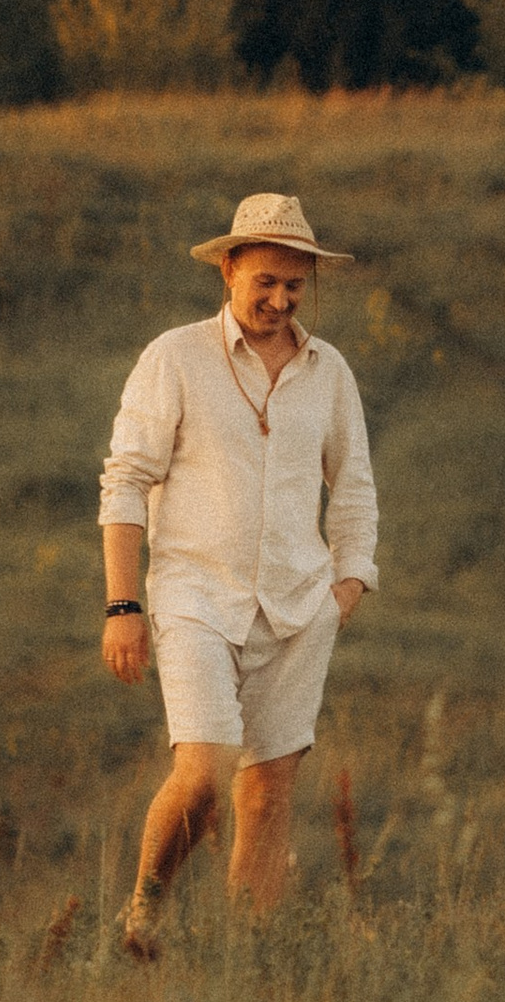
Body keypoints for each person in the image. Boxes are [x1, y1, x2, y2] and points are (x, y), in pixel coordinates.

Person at [97, 190, 378, 954]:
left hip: (297, 607)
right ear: (229, 270)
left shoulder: (328, 372)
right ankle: (144, 910)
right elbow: (124, 481)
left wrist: (346, 585)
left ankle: (248, 962)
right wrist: (123, 603)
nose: (281, 301)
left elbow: (352, 485)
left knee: (269, 791)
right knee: (207, 768)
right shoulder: (175, 358)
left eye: (295, 285)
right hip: (194, 597)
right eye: (266, 282)